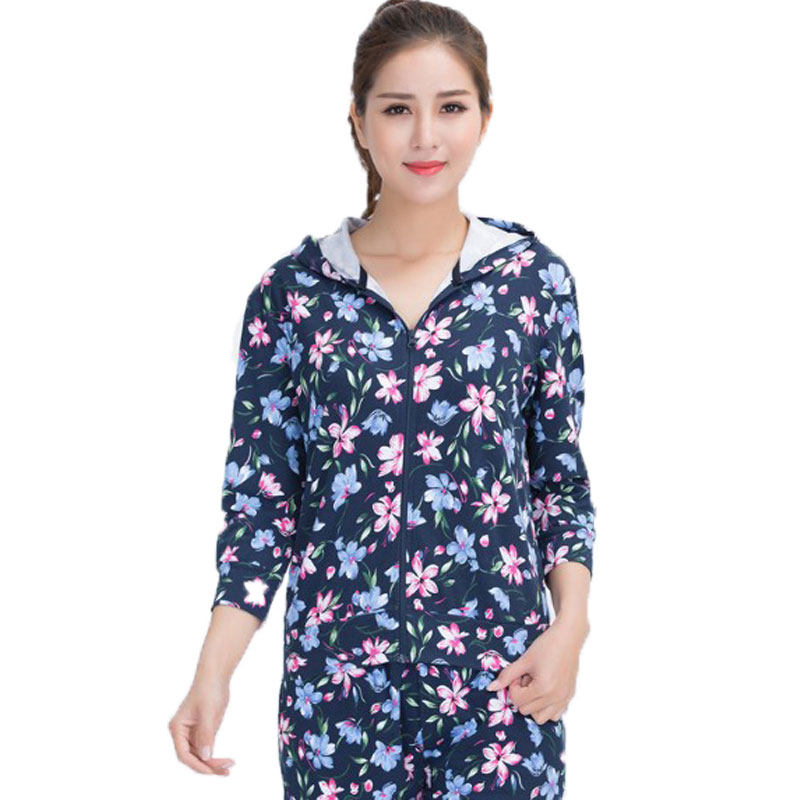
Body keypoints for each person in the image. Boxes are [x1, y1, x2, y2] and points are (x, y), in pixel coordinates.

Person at [169, 1, 597, 797]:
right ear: (359, 122)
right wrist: (212, 674)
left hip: (501, 689)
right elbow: (262, 507)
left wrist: (571, 627)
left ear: (485, 117)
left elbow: (557, 479)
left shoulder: (533, 282)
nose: (425, 136)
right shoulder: (294, 295)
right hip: (337, 699)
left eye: (451, 108)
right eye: (398, 109)